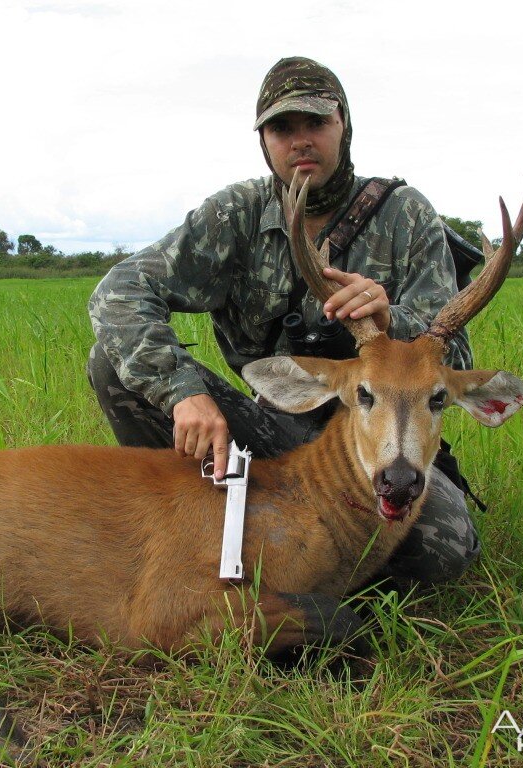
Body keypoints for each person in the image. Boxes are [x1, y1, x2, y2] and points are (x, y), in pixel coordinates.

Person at [87, 56, 479, 584]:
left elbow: (458, 361)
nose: (300, 141)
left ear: (344, 126)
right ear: (263, 139)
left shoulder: (404, 215)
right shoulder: (237, 214)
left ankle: (289, 557)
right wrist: (182, 391)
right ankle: (183, 533)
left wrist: (396, 322)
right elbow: (120, 291)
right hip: (272, 421)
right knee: (112, 364)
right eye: (281, 127)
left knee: (440, 550)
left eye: (316, 123)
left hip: (374, 436)